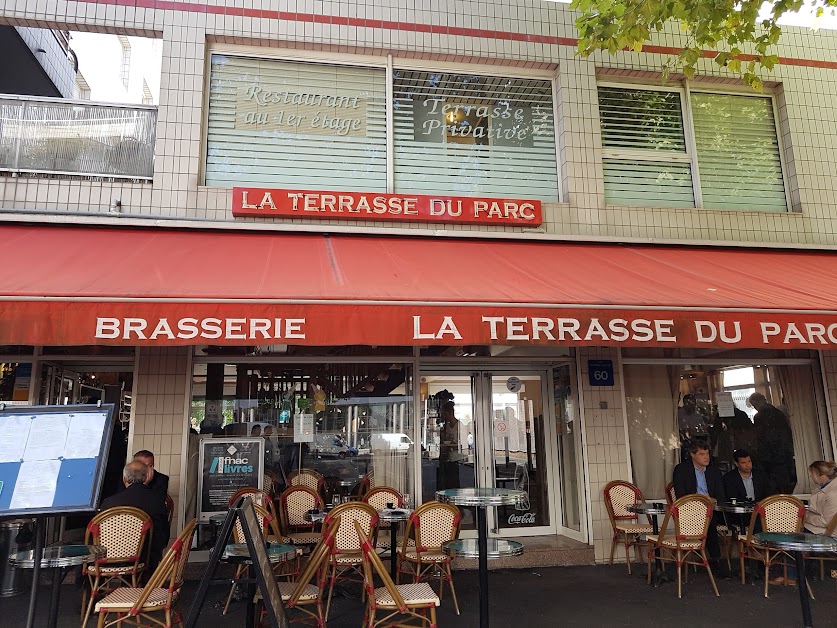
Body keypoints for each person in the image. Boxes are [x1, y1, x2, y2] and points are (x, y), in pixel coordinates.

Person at [672, 439, 730, 577]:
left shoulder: (714, 471)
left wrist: (712, 500)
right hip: (689, 511)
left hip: (711, 509)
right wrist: (699, 500)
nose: (706, 457)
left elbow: (721, 496)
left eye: (707, 453)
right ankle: (715, 562)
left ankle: (715, 561)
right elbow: (681, 495)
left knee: (710, 519)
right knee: (708, 522)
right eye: (702, 454)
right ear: (692, 455)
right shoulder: (682, 470)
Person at [100, 461, 170, 570]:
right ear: (147, 477)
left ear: (124, 479)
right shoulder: (157, 500)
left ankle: (88, 586)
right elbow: (163, 537)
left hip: (109, 559)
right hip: (144, 559)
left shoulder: (109, 503)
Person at [748, 392, 796, 493]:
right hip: (783, 451)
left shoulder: (760, 416)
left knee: (774, 483)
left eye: (753, 405)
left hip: (771, 454)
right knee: (784, 481)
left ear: (757, 403)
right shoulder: (778, 412)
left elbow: (761, 436)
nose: (754, 407)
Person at [804, 460, 837, 536]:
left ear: (822, 475)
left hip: (824, 533)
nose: (811, 477)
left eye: (812, 474)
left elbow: (825, 521)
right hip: (815, 528)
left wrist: (805, 516)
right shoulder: (824, 488)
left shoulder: (833, 494)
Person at [438, 401, 462, 489]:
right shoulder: (447, 426)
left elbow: (461, 444)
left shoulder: (459, 426)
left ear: (449, 413)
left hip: (457, 459)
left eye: (444, 414)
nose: (443, 417)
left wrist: (450, 446)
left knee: (454, 483)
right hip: (449, 458)